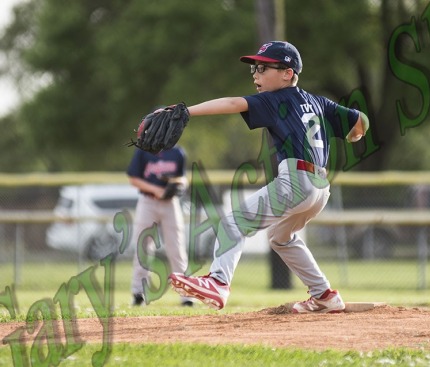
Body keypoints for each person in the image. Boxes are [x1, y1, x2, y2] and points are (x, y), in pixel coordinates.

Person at [169, 41, 369, 313]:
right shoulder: (318, 102)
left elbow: (232, 102)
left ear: (287, 73)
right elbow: (362, 122)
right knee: (280, 237)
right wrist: (354, 133)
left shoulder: (276, 99)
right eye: (254, 68)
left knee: (234, 222)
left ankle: (217, 282)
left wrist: (186, 111)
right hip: (320, 188)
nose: (255, 74)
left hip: (297, 181)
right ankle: (324, 295)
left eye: (262, 68)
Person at [127, 145, 194, 306]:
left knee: (176, 248)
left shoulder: (177, 152)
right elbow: (133, 179)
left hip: (171, 203)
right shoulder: (143, 150)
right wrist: (156, 189)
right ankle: (138, 292)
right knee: (142, 247)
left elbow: (183, 177)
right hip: (148, 202)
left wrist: (179, 184)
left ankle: (186, 295)